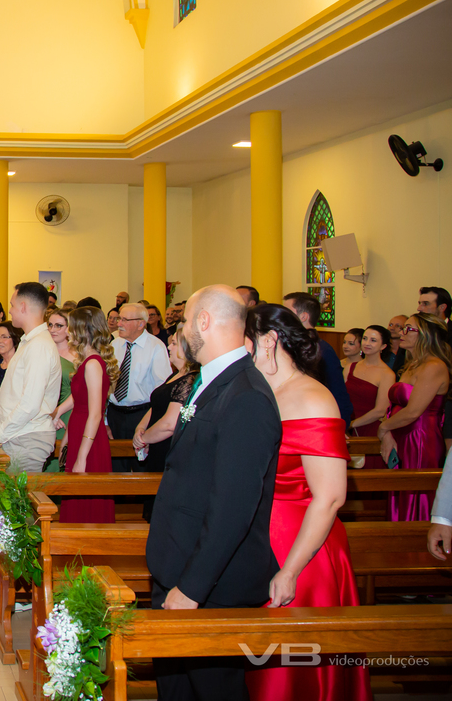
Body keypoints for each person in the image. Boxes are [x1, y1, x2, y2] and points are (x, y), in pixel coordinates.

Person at [146, 285, 281, 701]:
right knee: (175, 687)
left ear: (204, 321)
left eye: (186, 320)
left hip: (209, 586)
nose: (182, 329)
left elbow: (233, 507)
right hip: (179, 564)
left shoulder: (247, 397)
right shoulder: (211, 381)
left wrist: (192, 589)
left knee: (212, 689)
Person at [243, 304, 371, 701]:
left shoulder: (314, 399)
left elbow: (331, 496)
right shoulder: (260, 391)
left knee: (290, 669)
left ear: (268, 341)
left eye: (244, 345)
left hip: (301, 544)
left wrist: (291, 570)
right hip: (259, 536)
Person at [378, 314, 450, 521]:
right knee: (400, 491)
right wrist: (390, 431)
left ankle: (416, 549)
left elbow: (413, 412)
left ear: (426, 336)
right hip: (402, 434)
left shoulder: (434, 366)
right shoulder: (412, 364)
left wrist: (383, 428)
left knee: (414, 493)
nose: (401, 333)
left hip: (420, 438)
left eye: (409, 329)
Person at [50, 306, 118, 523]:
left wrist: (82, 457)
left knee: (85, 491)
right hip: (79, 430)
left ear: (85, 331)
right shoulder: (85, 361)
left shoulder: (93, 364)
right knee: (74, 493)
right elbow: (79, 400)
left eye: (71, 328)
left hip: (90, 438)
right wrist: (68, 440)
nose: (68, 332)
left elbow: (96, 414)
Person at [0, 283, 62, 473]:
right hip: (18, 433)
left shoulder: (39, 346)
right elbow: (12, 395)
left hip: (27, 437)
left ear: (23, 306)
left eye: (12, 305)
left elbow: (30, 404)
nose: (11, 311)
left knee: (17, 500)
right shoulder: (29, 342)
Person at [107, 303, 171, 472]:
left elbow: (163, 389)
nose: (119, 323)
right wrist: (105, 420)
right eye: (119, 319)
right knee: (114, 469)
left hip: (141, 415)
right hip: (115, 415)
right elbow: (106, 384)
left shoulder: (156, 347)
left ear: (141, 324)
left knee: (142, 468)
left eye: (124, 320)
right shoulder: (115, 346)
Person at [131, 329, 198, 489]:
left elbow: (170, 424)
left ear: (187, 348)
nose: (169, 347)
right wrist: (140, 427)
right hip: (157, 443)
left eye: (174, 343)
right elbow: (158, 405)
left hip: (170, 447)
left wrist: (144, 438)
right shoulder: (176, 375)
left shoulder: (190, 379)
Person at [283, 292, 354, 428]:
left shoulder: (323, 350)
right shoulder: (287, 345)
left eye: (287, 312)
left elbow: (338, 393)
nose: (282, 317)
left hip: (313, 421)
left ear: (303, 316)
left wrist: (339, 429)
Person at [345, 325, 394, 468]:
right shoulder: (351, 367)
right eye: (365, 339)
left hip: (369, 428)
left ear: (383, 346)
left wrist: (352, 424)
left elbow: (380, 410)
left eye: (373, 340)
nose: (367, 343)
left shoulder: (387, 374)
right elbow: (340, 398)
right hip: (346, 427)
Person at [46, 308, 77, 467]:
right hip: (46, 412)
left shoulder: (80, 354)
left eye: (58, 325)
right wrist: (50, 413)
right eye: (50, 325)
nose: (52, 330)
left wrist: (58, 412)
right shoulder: (44, 351)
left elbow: (82, 391)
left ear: (70, 328)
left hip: (72, 412)